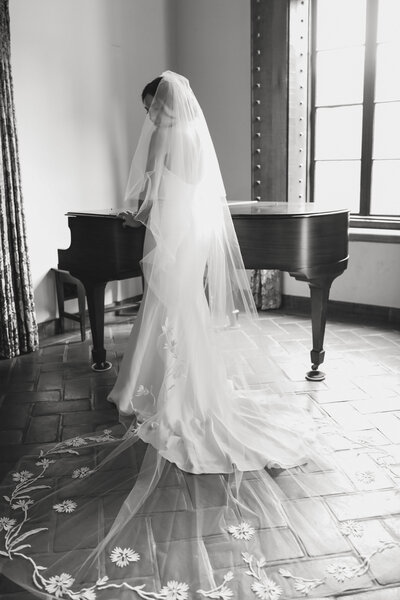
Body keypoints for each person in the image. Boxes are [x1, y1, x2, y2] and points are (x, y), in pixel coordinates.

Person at [0, 72, 391, 599]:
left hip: (171, 235)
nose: (149, 118)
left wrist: (133, 214)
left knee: (166, 311)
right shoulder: (194, 139)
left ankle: (170, 394)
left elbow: (156, 194)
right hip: (189, 234)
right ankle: (183, 390)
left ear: (161, 105)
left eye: (150, 108)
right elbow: (191, 192)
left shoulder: (165, 136)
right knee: (179, 313)